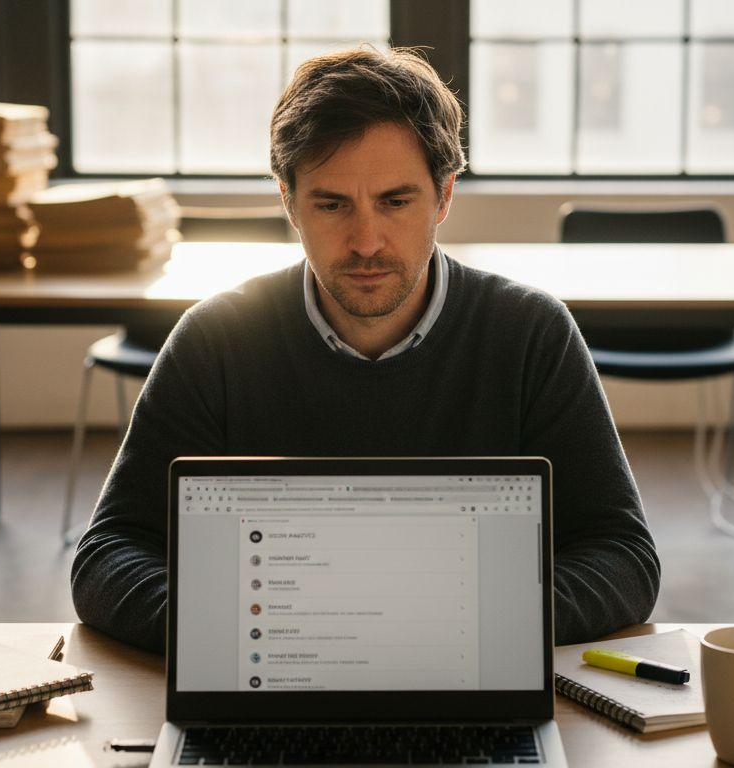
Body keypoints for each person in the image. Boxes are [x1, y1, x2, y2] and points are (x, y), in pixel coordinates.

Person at [71, 46, 659, 653]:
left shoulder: (531, 334)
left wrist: (452, 629)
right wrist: (271, 634)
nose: (366, 241)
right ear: (289, 202)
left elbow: (623, 556)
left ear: (445, 195)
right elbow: (109, 556)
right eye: (332, 205)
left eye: (395, 202)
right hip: (275, 679)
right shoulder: (215, 339)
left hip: (461, 676)